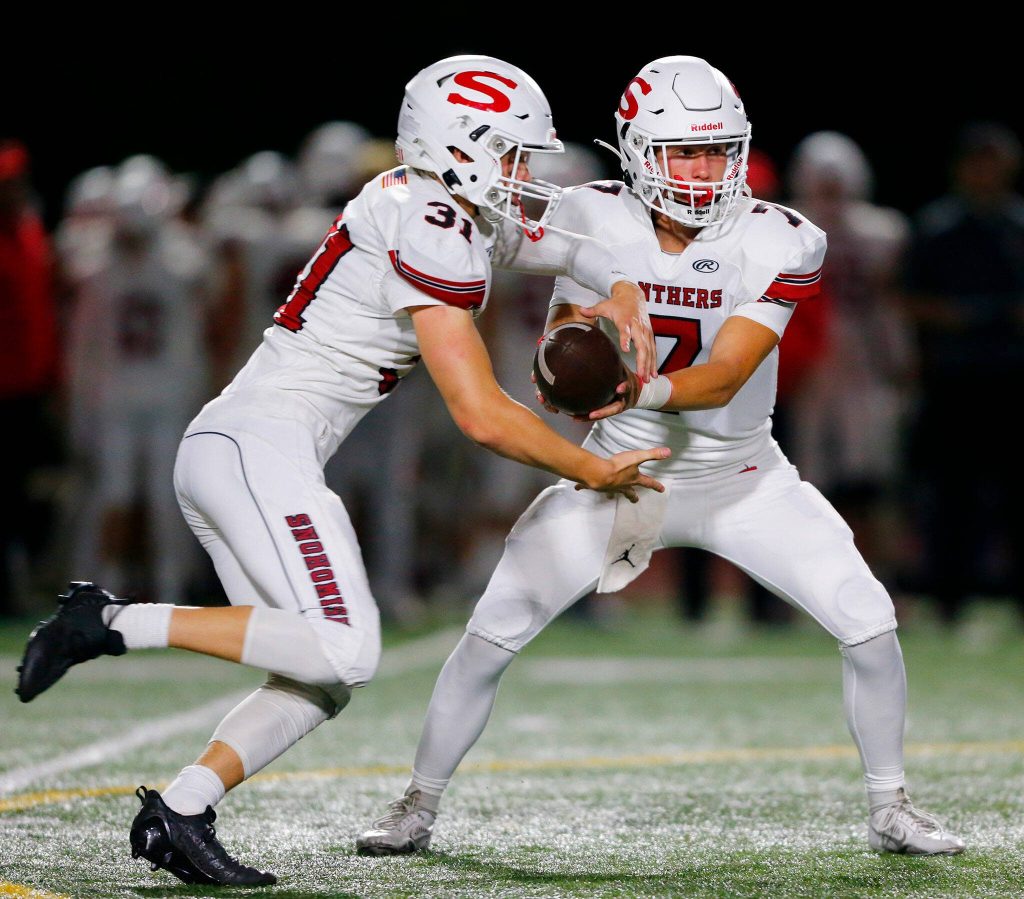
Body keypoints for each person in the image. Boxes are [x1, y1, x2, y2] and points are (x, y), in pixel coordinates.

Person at [14, 55, 668, 887]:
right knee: (346, 647)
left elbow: (550, 243)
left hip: (243, 450)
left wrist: (619, 288)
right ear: (459, 145)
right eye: (510, 153)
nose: (521, 174)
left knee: (319, 679)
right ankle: (107, 621)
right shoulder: (427, 219)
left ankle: (179, 811)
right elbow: (479, 411)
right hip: (260, 449)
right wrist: (592, 468)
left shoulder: (428, 204)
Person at [356, 55, 965, 859]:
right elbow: (464, 226)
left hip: (742, 481)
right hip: (613, 476)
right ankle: (418, 803)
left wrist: (630, 388)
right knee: (489, 634)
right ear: (638, 151)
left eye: (717, 150)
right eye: (684, 151)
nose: (703, 169)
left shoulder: (776, 238)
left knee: (869, 622)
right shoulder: (585, 216)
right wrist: (559, 332)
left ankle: (890, 805)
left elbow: (724, 375)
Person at [903, 122, 1024, 625]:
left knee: (1017, 494)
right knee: (951, 495)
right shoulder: (938, 227)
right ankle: (948, 600)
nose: (984, 171)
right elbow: (910, 299)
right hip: (953, 378)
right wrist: (969, 317)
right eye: (976, 161)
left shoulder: (1019, 225)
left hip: (1014, 380)